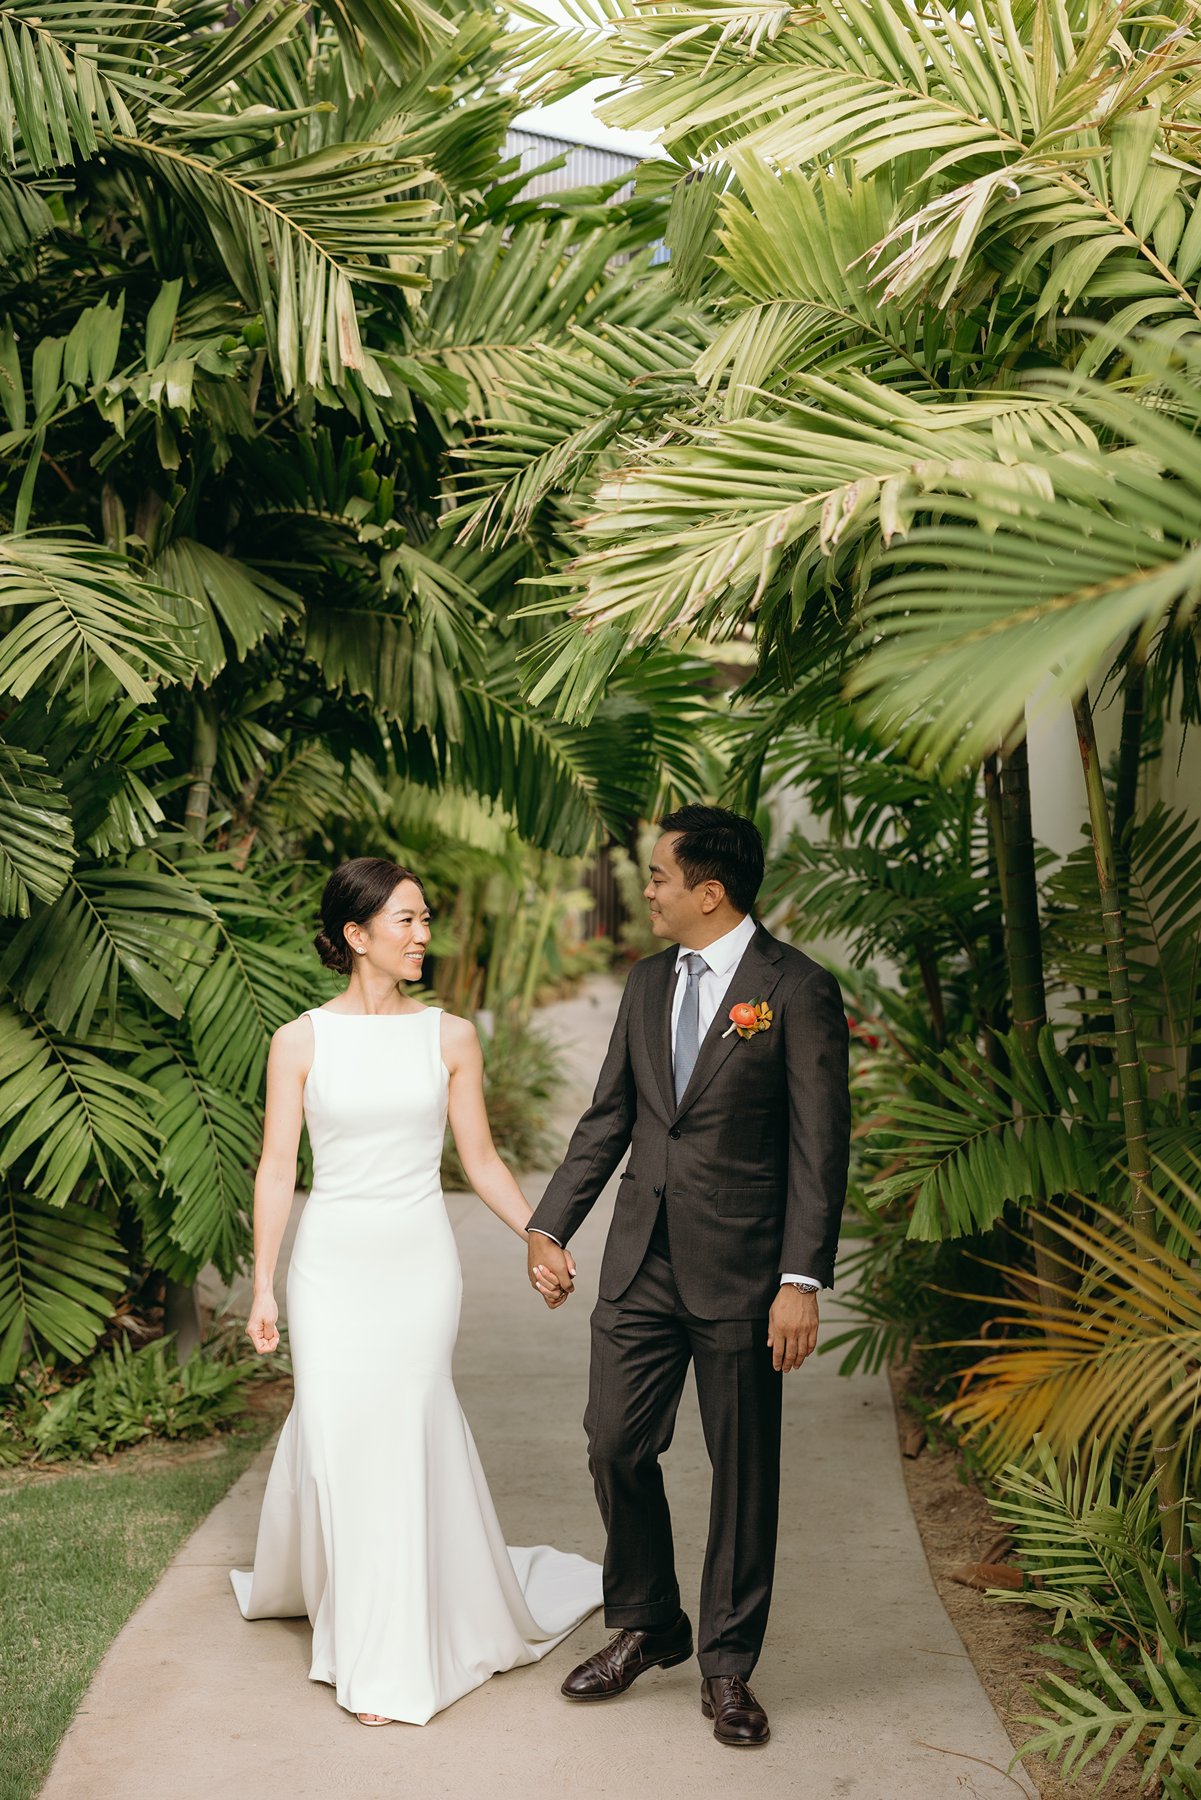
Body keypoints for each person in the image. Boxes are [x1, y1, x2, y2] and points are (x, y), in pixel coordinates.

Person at [232, 857, 600, 1726]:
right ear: (355, 935)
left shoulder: (451, 1035)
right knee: (334, 1431)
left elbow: (479, 1159)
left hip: (417, 1263)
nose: (423, 935)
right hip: (330, 1265)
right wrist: (263, 1286)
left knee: (402, 1430)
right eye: (405, 921)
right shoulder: (299, 1040)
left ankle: (388, 1655)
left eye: (425, 918)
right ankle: (350, 1605)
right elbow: (278, 1167)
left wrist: (537, 1236)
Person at [526, 806, 850, 1748]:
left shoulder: (794, 989)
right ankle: (648, 1619)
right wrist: (551, 1225)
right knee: (613, 1442)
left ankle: (728, 1666)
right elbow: (608, 1120)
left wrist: (801, 1280)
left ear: (709, 891)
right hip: (639, 1261)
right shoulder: (643, 981)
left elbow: (817, 1148)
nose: (648, 891)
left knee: (742, 1470)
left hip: (747, 1273)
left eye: (659, 877)